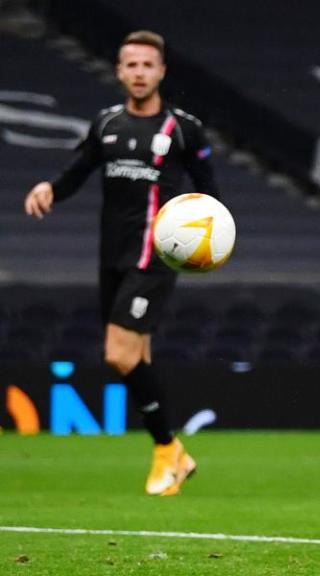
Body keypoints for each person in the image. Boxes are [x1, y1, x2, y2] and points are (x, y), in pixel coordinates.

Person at [24, 30, 218, 496]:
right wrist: (50, 188)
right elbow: (78, 170)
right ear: (119, 71)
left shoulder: (183, 129)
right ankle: (174, 460)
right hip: (112, 255)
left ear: (162, 71)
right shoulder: (106, 123)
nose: (139, 73)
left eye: (148, 65)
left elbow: (209, 193)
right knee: (139, 356)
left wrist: (204, 241)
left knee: (118, 353)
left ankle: (168, 449)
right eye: (131, 65)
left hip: (155, 256)